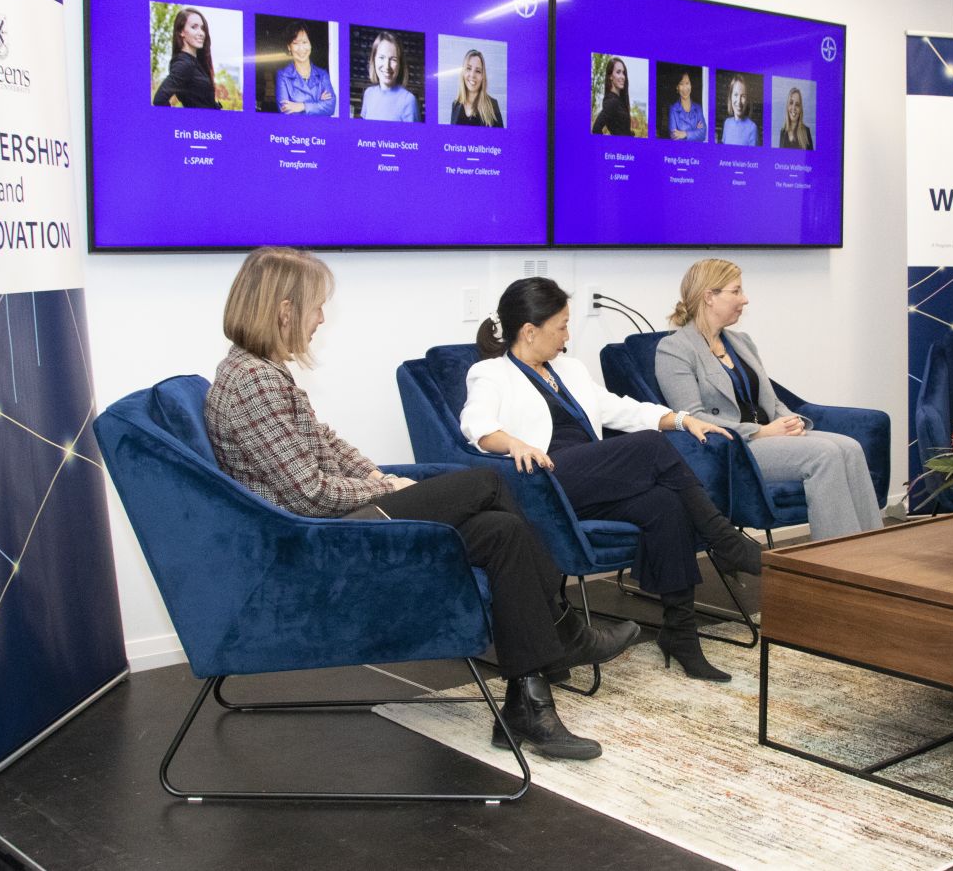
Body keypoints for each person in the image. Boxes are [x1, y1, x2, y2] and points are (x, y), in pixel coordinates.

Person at [204, 247, 638, 761]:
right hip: (319, 540)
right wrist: (386, 490)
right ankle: (564, 629)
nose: (321, 317)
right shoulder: (254, 382)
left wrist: (373, 473)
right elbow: (310, 494)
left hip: (333, 523)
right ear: (283, 310)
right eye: (316, 306)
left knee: (502, 532)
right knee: (486, 483)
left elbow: (326, 443)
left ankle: (528, 704)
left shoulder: (261, 371)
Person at [461, 277, 763, 683]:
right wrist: (513, 443)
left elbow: (620, 409)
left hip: (589, 480)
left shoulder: (569, 369)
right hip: (544, 482)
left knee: (665, 503)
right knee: (650, 447)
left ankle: (680, 633)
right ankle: (725, 541)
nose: (568, 337)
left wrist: (681, 419)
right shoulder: (490, 373)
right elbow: (476, 426)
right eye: (562, 327)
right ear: (529, 331)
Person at [656, 259, 882, 541]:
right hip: (735, 447)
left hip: (771, 435)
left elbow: (770, 401)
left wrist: (790, 421)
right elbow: (693, 417)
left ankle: (871, 550)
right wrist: (760, 432)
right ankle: (837, 559)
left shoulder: (741, 342)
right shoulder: (674, 349)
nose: (745, 299)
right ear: (709, 297)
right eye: (736, 291)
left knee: (850, 447)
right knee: (824, 454)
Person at [152, 8, 221, 109]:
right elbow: (159, 100)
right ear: (181, 32)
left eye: (202, 28)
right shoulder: (184, 64)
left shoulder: (194, 62)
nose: (201, 33)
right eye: (194, 27)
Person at [274, 21, 337, 116]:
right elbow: (285, 111)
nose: (301, 48)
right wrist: (318, 103)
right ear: (289, 47)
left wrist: (302, 106)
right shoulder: (282, 76)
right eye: (295, 43)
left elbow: (330, 107)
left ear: (311, 44)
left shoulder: (322, 75)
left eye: (304, 42)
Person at [359, 31, 419, 122]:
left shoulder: (409, 101)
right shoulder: (368, 93)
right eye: (381, 57)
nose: (387, 66)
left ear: (400, 64)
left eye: (393, 59)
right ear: (374, 60)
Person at [449, 48, 504, 127]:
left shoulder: (493, 105)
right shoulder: (455, 105)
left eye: (478, 71)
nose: (472, 75)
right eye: (468, 68)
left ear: (482, 76)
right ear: (463, 72)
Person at [592, 56, 632, 136]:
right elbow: (596, 129)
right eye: (618, 72)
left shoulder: (619, 100)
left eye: (623, 73)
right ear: (610, 76)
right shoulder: (612, 101)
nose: (622, 77)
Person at [666, 70, 707, 141]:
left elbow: (703, 134)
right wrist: (695, 130)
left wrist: (685, 134)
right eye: (681, 84)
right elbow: (674, 136)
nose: (685, 88)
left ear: (691, 85)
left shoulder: (698, 108)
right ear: (677, 87)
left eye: (687, 83)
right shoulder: (673, 109)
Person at [720, 75, 758, 146]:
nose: (739, 101)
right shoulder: (727, 123)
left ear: (747, 100)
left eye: (743, 96)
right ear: (730, 97)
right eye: (735, 95)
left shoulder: (752, 128)